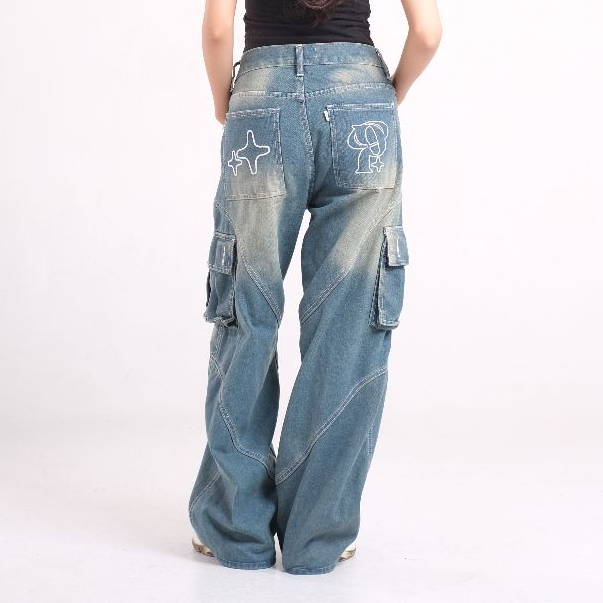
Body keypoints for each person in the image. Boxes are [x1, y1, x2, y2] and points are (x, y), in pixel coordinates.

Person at [188, 0, 442, 575]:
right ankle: (317, 534)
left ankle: (237, 531)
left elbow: (219, 27)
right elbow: (427, 32)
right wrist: (389, 93)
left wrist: (223, 99)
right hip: (362, 103)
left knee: (246, 309)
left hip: (261, 104)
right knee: (350, 324)